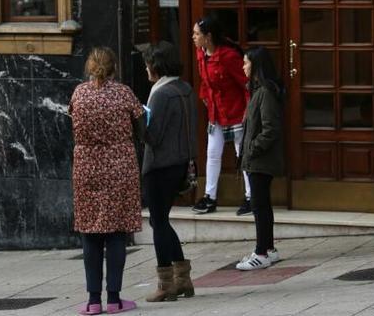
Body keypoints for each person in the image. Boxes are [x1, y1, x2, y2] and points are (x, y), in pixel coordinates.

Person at [70, 47, 143, 315]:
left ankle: (92, 300)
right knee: (115, 232)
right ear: (114, 68)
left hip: (86, 165)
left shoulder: (79, 93)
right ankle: (114, 298)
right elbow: (141, 123)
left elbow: (72, 121)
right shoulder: (123, 93)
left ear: (90, 67)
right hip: (119, 165)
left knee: (90, 233)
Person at [140, 42, 196, 302]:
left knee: (158, 222)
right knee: (161, 220)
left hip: (160, 165)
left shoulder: (161, 94)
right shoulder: (184, 88)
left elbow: (153, 136)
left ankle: (166, 284)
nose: (146, 68)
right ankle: (183, 277)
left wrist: (137, 120)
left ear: (156, 66)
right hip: (180, 162)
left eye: (148, 63)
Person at [191, 16, 252, 215]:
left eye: (197, 34)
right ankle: (210, 197)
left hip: (235, 111)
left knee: (241, 154)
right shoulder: (201, 54)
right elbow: (204, 81)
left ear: (208, 37)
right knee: (212, 153)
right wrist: (204, 96)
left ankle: (252, 197)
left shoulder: (227, 56)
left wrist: (248, 110)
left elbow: (245, 83)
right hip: (215, 112)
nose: (193, 37)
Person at [235, 47, 284, 271]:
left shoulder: (265, 92)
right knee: (261, 204)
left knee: (259, 205)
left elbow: (270, 129)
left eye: (246, 63)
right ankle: (268, 249)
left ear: (256, 66)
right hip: (256, 159)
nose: (243, 67)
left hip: (260, 161)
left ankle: (262, 251)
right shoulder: (257, 91)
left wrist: (252, 149)